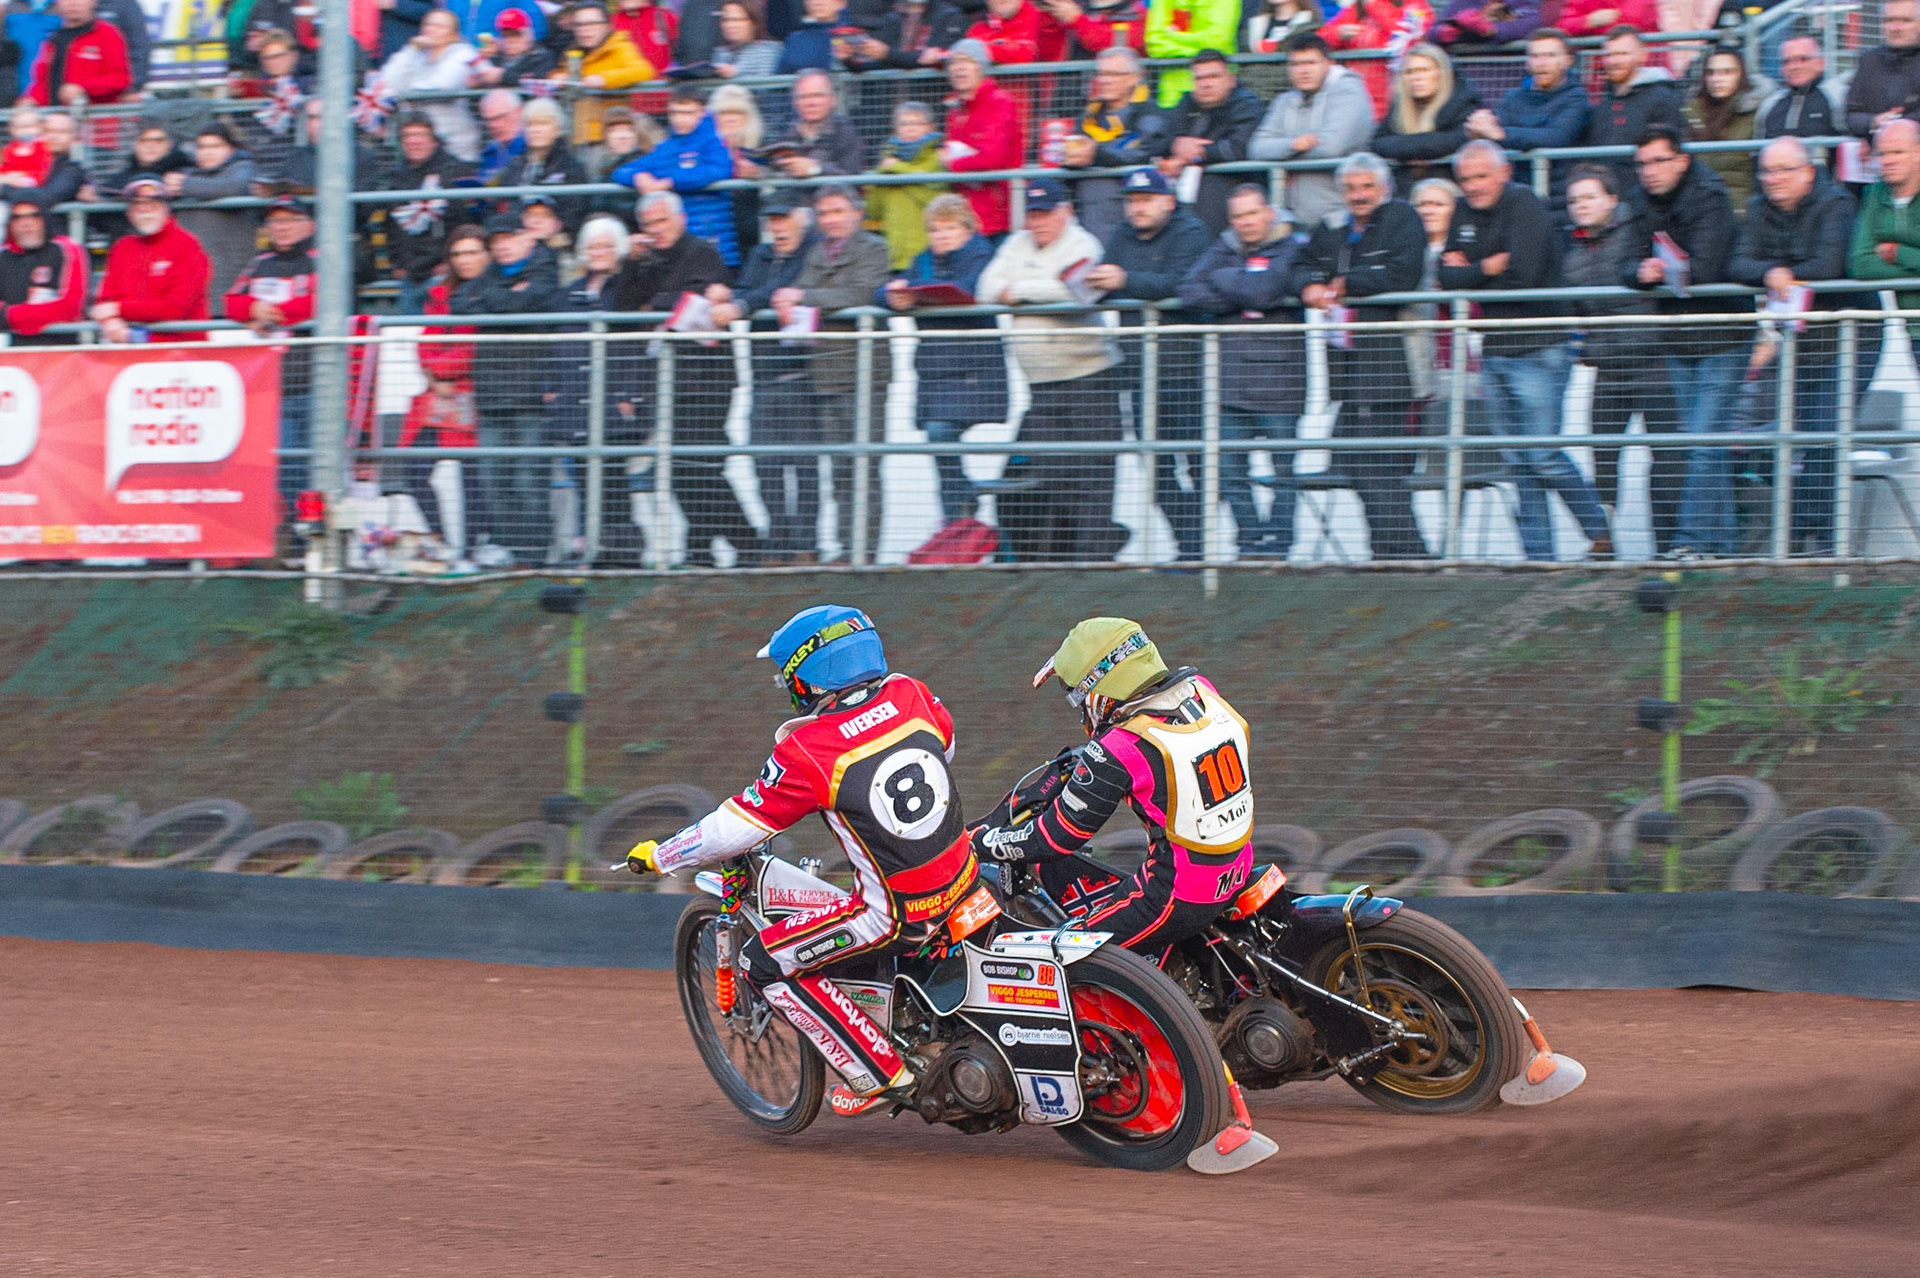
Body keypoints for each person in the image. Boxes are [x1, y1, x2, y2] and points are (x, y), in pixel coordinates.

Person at [624, 605, 982, 1112]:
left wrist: (661, 855)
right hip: (966, 877)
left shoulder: (809, 749)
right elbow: (945, 748)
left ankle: (879, 1073)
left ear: (809, 676)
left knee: (764, 963)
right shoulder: (912, 694)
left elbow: (732, 831)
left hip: (896, 914)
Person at [967, 617, 1255, 958]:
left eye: (1078, 698)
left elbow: (1057, 836)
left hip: (1175, 894)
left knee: (1061, 954)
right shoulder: (1202, 691)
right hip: (1238, 867)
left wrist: (982, 842)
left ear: (1099, 692)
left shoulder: (1120, 747)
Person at [1441, 140, 1611, 561]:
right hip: (1496, 346)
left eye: (1481, 176)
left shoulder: (1524, 205)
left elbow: (1525, 275)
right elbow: (1445, 276)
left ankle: (1600, 532)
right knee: (1517, 461)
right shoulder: (1463, 211)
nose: (1473, 186)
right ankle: (1539, 557)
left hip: (1541, 346)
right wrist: (1488, 267)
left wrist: (1471, 272)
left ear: (1503, 172)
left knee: (1542, 454)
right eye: (1465, 179)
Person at [611, 190, 765, 567]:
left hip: (707, 381)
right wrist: (632, 266)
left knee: (702, 468)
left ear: (680, 219)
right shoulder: (646, 260)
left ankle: (743, 544)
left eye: (661, 221)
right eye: (649, 224)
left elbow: (694, 304)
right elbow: (622, 309)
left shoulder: (702, 252)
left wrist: (657, 304)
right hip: (665, 382)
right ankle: (707, 549)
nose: (656, 230)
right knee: (682, 472)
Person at [977, 178, 1128, 563]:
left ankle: (1094, 560)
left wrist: (1020, 291)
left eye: (1046, 213)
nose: (1038, 222)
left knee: (1093, 474)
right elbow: (986, 287)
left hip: (1089, 377)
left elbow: (1075, 291)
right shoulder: (1016, 243)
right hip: (1040, 385)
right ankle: (1073, 556)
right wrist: (1036, 287)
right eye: (1032, 213)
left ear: (1066, 212)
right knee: (1054, 473)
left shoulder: (1083, 244)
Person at [1729, 136, 1859, 555]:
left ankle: (1814, 541)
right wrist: (1773, 273)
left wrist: (1784, 274)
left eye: (1784, 170)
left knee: (1824, 435)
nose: (1774, 179)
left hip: (1848, 336)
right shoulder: (1759, 207)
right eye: (1767, 171)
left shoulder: (1836, 203)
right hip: (1798, 340)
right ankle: (1806, 538)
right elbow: (1738, 263)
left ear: (1808, 171)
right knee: (1806, 438)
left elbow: (1830, 264)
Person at [1294, 153, 1427, 559]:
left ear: (1384, 188)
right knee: (1355, 464)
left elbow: (1404, 273)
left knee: (1380, 466)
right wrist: (1310, 287)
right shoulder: (1333, 224)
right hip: (1346, 368)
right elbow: (1302, 265)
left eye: (1367, 186)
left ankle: (1408, 555)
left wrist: (1345, 285)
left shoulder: (1403, 219)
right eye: (1351, 188)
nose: (1359, 195)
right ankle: (1390, 553)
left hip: (1390, 366)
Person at [1627, 123, 1747, 558]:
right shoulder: (1639, 201)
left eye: (1659, 161)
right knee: (1703, 447)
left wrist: (1663, 270)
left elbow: (1710, 266)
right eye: (1642, 164)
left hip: (1722, 338)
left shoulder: (1711, 196)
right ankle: (1725, 549)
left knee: (1701, 443)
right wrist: (1641, 273)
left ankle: (1692, 541)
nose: (1649, 171)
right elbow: (1626, 261)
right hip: (1678, 339)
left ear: (1682, 159)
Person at [1560, 162, 1682, 554]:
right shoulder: (1571, 251)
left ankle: (1669, 546)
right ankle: (1605, 544)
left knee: (1666, 459)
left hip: (1653, 362)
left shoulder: (1638, 233)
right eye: (1575, 199)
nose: (1581, 205)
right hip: (1607, 368)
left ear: (1613, 199)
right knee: (1604, 459)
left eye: (1590, 196)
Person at [1178, 183, 1304, 559]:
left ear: (1269, 212)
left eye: (1251, 213)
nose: (1245, 223)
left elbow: (1265, 290)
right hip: (1230, 382)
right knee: (1231, 475)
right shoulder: (1224, 246)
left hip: (1282, 383)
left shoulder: (1293, 246)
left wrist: (1226, 279)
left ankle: (1278, 547)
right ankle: (1249, 543)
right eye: (1237, 216)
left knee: (1283, 474)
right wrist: (1243, 285)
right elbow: (1188, 290)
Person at [1092, 167, 1211, 561]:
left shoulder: (1191, 231)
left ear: (1168, 201)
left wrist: (1124, 279)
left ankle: (1201, 549)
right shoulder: (1121, 234)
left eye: (1145, 200)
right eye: (1131, 201)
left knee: (1200, 465)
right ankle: (1189, 547)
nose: (1137, 208)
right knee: (1157, 471)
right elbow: (1101, 284)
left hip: (1188, 371)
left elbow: (1181, 282)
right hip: (1138, 370)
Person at [774, 184, 893, 562]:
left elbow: (861, 293)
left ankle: (863, 552)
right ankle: (846, 548)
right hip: (826, 373)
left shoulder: (873, 248)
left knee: (864, 468)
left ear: (856, 213)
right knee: (840, 470)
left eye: (838, 211)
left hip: (864, 374)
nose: (831, 220)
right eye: (824, 214)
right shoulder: (816, 253)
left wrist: (802, 298)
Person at [880, 193, 1008, 526]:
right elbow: (883, 291)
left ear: (967, 229)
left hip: (973, 367)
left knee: (939, 433)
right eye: (935, 229)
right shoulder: (922, 260)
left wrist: (920, 292)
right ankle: (954, 523)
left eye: (949, 228)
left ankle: (961, 504)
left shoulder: (984, 255)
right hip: (934, 369)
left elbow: (969, 288)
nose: (941, 236)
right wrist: (893, 296)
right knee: (937, 444)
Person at [710, 193, 821, 561]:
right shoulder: (760, 254)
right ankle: (779, 543)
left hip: (798, 374)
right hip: (763, 375)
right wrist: (730, 297)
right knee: (767, 466)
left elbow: (775, 289)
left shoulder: (812, 250)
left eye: (783, 219)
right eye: (772, 220)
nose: (776, 227)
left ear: (801, 220)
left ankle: (805, 545)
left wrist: (740, 305)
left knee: (803, 467)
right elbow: (748, 289)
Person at [449, 211, 562, 562]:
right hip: (493, 393)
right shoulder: (492, 276)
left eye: (509, 239)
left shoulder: (545, 270)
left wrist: (494, 300)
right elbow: (458, 303)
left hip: (531, 393)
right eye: (496, 243)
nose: (503, 247)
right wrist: (507, 297)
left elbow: (526, 301)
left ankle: (536, 554)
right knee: (493, 479)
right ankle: (514, 551)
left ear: (527, 238)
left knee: (530, 480)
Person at [224, 195, 318, 503]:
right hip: (272, 381)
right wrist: (253, 307)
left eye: (290, 220)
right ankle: (291, 532)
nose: (283, 228)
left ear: (309, 225)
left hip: (313, 379)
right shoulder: (259, 264)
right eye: (277, 221)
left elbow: (320, 302)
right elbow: (231, 301)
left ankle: (309, 538)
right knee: (284, 465)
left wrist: (270, 312)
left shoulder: (319, 259)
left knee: (312, 465)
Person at [412, 225, 494, 557]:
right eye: (458, 253)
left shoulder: (492, 291)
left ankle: (475, 548)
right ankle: (442, 542)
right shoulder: (439, 294)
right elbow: (424, 342)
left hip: (477, 397)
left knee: (473, 479)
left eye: (472, 252)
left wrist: (438, 369)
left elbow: (475, 348)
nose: (464, 260)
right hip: (440, 400)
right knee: (413, 470)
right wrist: (434, 374)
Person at [1250, 34, 1376, 230]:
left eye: (1311, 63)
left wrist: (1282, 153)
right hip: (1294, 219)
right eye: (1296, 64)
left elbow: (1331, 147)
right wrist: (1292, 145)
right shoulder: (1284, 100)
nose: (1303, 71)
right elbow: (1257, 148)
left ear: (1328, 63)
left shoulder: (1349, 91)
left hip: (1343, 217)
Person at [614, 86, 741, 265]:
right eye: (675, 113)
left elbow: (719, 170)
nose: (680, 119)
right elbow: (621, 172)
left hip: (715, 245)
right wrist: (639, 177)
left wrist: (670, 182)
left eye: (688, 113)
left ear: (702, 112)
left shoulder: (715, 142)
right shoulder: (667, 148)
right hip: (677, 246)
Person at [1058, 45, 1168, 243]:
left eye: (1113, 74)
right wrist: (1070, 159)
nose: (1104, 81)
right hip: (1086, 213)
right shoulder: (1088, 115)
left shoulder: (1150, 113)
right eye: (1101, 74)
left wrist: (1094, 155)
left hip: (1129, 219)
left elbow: (1139, 152)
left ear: (1134, 77)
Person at [1470, 27, 1589, 199]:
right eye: (1535, 56)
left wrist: (1501, 134)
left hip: (1562, 195)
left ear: (1567, 60)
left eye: (1550, 55)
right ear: (1527, 62)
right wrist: (1477, 129)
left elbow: (1557, 136)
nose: (1541, 63)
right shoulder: (1512, 98)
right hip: (1515, 193)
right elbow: (1491, 133)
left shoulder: (1577, 97)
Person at [90, 176, 212, 342]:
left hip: (182, 352)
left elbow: (176, 308)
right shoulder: (121, 248)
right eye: (137, 204)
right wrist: (110, 321)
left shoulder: (188, 245)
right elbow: (103, 301)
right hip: (128, 352)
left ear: (166, 208)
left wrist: (118, 310)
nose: (145, 209)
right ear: (129, 212)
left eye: (153, 202)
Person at [1155, 48, 1264, 232]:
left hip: (1229, 190)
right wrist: (1175, 145)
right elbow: (1160, 138)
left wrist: (1197, 153)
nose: (1206, 84)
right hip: (1185, 192)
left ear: (1230, 79)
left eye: (1213, 77)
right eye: (1200, 78)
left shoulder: (1247, 105)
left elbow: (1238, 148)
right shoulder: (1187, 102)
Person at [381, 112, 478, 316]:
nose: (414, 141)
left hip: (446, 274)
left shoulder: (456, 172)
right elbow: (389, 225)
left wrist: (450, 262)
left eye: (420, 134)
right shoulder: (395, 178)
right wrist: (397, 263)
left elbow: (468, 223)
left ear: (434, 140)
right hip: (410, 276)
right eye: (408, 136)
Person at [941, 38, 1024, 239]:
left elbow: (993, 159)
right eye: (954, 62)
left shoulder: (999, 101)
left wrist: (952, 164)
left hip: (997, 219)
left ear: (980, 67)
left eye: (966, 61)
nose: (959, 68)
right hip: (966, 218)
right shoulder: (954, 112)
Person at [1371, 42, 1481, 192]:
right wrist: (1421, 149)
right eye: (1410, 72)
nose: (1416, 78)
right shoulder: (1400, 105)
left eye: (1424, 70)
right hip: (1406, 190)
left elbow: (1458, 139)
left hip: (1452, 189)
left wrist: (1407, 150)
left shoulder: (1464, 99)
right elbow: (1378, 142)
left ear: (1441, 73)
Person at [170, 122, 260, 303]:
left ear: (232, 148)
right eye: (202, 147)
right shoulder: (188, 173)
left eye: (215, 146)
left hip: (231, 276)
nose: (207, 152)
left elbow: (235, 187)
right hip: (191, 279)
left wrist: (184, 185)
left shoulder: (243, 167)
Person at [379, 8, 484, 161]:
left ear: (454, 34)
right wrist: (411, 50)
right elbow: (387, 81)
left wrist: (407, 94)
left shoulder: (464, 53)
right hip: (417, 147)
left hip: (455, 146)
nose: (431, 30)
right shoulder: (416, 55)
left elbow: (443, 85)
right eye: (428, 25)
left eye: (439, 27)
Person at [1584, 24, 1685, 173]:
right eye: (1609, 55)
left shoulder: (1662, 98)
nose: (1614, 61)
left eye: (1622, 54)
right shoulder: (1603, 101)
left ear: (1642, 56)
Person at [557, 2, 657, 146]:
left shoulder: (619, 47)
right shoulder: (574, 52)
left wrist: (604, 79)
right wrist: (558, 77)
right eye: (579, 25)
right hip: (578, 135)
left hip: (608, 138)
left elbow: (644, 70)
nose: (584, 30)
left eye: (591, 23)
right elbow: (559, 72)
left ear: (606, 25)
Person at [1849, 117, 1920, 317]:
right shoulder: (1873, 195)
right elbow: (1859, 264)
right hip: (1912, 323)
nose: (1888, 161)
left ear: (1918, 152)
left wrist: (1895, 253)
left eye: (1898, 152)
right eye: (1882, 153)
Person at [1685, 48, 1768, 213]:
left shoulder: (1757, 113)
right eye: (1711, 72)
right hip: (1700, 212)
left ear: (1741, 74)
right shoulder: (1691, 113)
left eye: (1727, 72)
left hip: (1742, 213)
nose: (1717, 79)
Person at [868, 100, 947, 271]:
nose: (910, 128)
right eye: (904, 123)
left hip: (928, 253)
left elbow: (934, 201)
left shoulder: (938, 158)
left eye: (917, 123)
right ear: (896, 129)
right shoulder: (886, 162)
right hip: (893, 255)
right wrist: (881, 175)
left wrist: (897, 170)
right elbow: (874, 210)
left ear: (931, 127)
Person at [0, 192, 85, 346]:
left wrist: (7, 315)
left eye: (34, 216)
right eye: (17, 217)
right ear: (10, 223)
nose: (26, 223)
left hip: (61, 352)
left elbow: (71, 308)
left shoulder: (67, 249)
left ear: (45, 218)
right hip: (11, 353)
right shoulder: (2, 255)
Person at [1316, 1, 1425, 119]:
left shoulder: (1416, 5)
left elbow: (1406, 36)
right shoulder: (1357, 9)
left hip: (1394, 99)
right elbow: (1316, 42)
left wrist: (1375, 5)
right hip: (1355, 98)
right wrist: (1337, 34)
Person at [496, 97, 589, 234]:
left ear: (557, 129)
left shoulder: (571, 168)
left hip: (556, 240)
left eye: (543, 124)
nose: (535, 130)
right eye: (530, 125)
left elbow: (575, 212)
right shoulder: (514, 166)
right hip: (516, 238)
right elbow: (502, 205)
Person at [25, 0, 130, 106]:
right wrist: (30, 101)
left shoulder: (107, 34)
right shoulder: (52, 38)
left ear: (93, 2)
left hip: (92, 116)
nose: (73, 3)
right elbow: (43, 84)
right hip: (55, 113)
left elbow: (120, 79)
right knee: (24, 118)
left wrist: (83, 88)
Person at [767, 69, 866, 176]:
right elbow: (774, 169)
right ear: (794, 102)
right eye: (803, 97)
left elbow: (851, 173)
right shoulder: (788, 134)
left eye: (817, 96)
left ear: (832, 100)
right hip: (795, 191)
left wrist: (815, 168)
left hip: (834, 191)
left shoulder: (845, 132)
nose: (811, 103)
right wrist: (758, 172)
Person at [1845, 0, 1920, 137]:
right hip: (1879, 154)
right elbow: (1851, 115)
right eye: (1889, 20)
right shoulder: (1869, 61)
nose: (1896, 28)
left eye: (1905, 20)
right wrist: (1873, 122)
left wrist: (1897, 124)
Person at [1142, 0, 1238, 107]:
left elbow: (1218, 40)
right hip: (1172, 99)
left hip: (1219, 101)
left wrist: (1172, 36)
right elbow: (1154, 43)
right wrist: (1198, 53)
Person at [1758, 34, 1845, 142]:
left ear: (1821, 63)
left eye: (1803, 59)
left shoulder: (1838, 98)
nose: (1794, 67)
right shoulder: (1769, 104)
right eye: (1787, 61)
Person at [848, 0, 972, 69]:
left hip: (932, 104)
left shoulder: (950, 17)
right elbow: (873, 64)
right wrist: (849, 57)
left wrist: (887, 54)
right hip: (892, 103)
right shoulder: (892, 19)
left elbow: (931, 59)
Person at [470, 6, 558, 85]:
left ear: (528, 34)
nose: (510, 40)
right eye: (506, 35)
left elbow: (535, 82)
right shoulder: (496, 59)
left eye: (516, 34)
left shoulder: (542, 57)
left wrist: (503, 76)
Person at [710, 0, 784, 75]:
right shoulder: (720, 53)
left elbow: (763, 81)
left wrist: (734, 72)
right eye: (725, 20)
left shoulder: (768, 51)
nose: (730, 25)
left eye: (738, 20)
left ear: (754, 23)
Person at [778, 0, 854, 71]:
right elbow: (780, 79)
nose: (818, 3)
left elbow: (862, 65)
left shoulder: (852, 37)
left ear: (842, 2)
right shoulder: (794, 39)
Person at [1434, 0, 1540, 48]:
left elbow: (1534, 23)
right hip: (1468, 75)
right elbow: (1431, 32)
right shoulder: (1462, 3)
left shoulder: (1522, 2)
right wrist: (1444, 33)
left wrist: (1491, 29)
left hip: (1511, 75)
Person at [613, 0, 678, 71]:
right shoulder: (610, 22)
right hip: (626, 80)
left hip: (664, 80)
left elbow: (683, 50)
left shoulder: (664, 16)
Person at [476, 87, 526, 180]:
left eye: (500, 117)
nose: (493, 125)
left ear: (519, 111)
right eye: (489, 120)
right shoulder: (490, 152)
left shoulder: (536, 145)